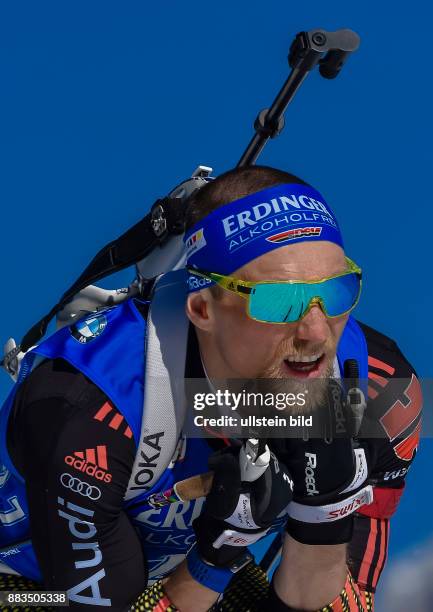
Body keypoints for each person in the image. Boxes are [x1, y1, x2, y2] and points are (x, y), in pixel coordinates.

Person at [0, 166, 422, 611]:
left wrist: (323, 517)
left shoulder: (380, 388)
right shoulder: (91, 406)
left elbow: (338, 601)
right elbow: (102, 603)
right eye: (279, 301)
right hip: (33, 586)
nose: (316, 333)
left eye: (336, 292)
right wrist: (214, 557)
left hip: (172, 574)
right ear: (202, 308)